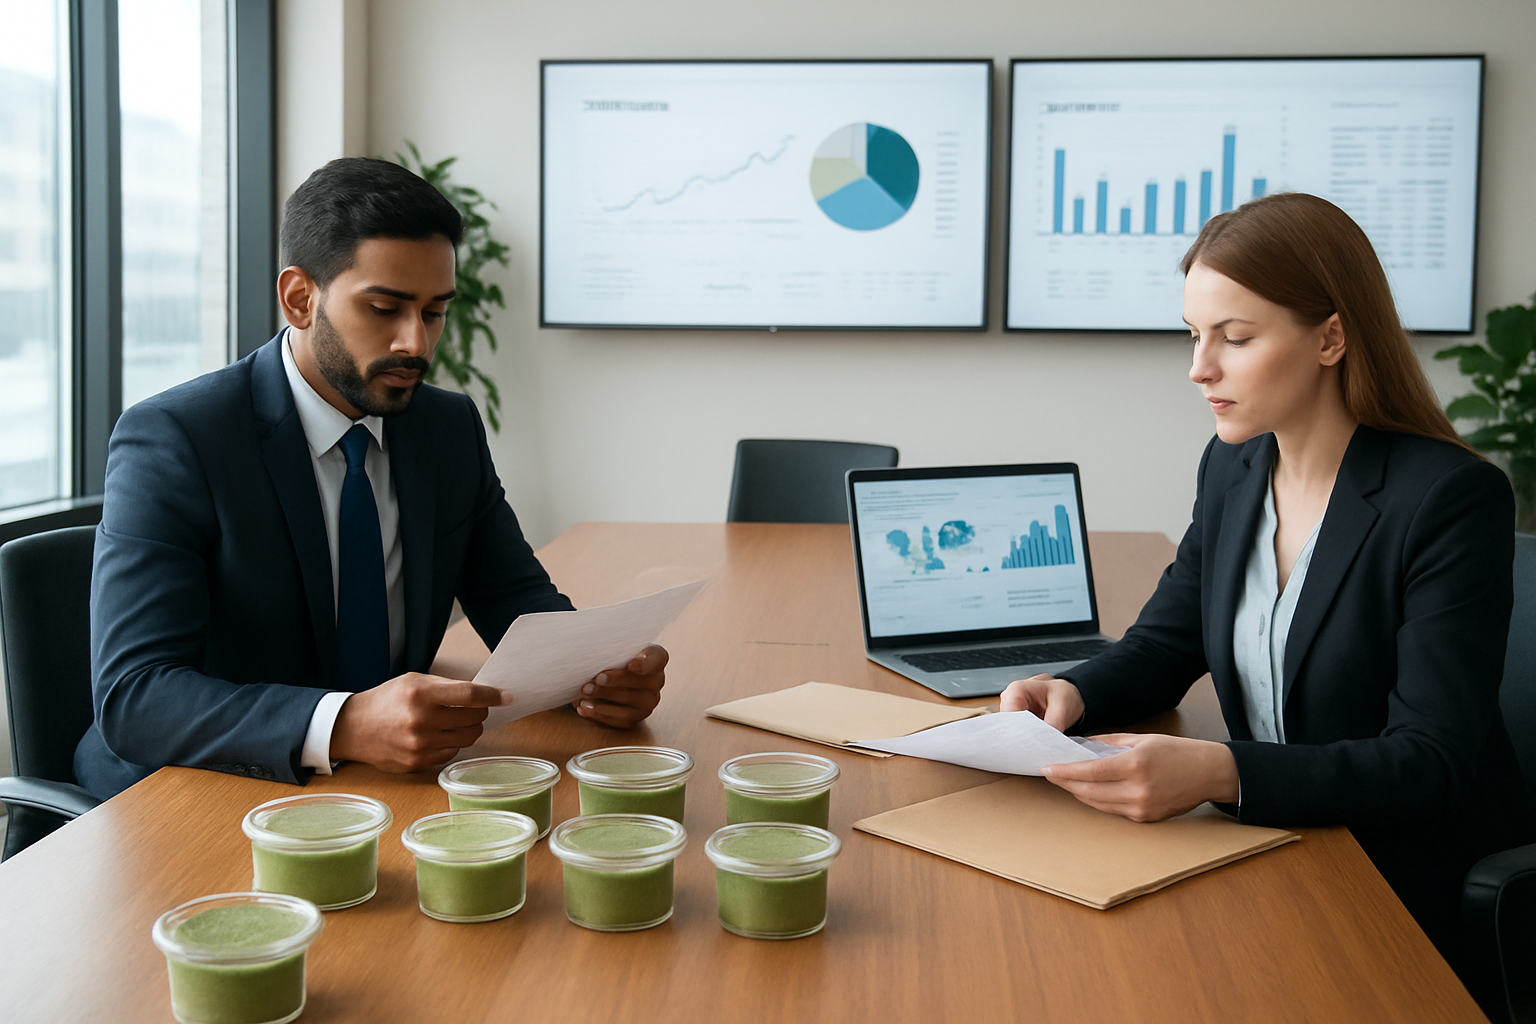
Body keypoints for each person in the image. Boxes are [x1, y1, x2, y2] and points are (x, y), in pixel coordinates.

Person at [1001, 192, 1535, 967]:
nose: (1199, 368)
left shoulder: (1448, 499)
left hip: (1396, 885)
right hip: (1271, 849)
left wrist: (1222, 770)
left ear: (1331, 337)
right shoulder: (1235, 464)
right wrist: (1075, 691)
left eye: (1235, 337)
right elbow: (1167, 639)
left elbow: (1431, 761)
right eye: (1193, 336)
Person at [76, 157, 668, 799]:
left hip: (387, 785)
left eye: (435, 312)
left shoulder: (445, 428)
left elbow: (514, 599)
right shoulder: (178, 438)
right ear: (301, 298)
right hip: (195, 791)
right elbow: (136, 697)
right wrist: (345, 724)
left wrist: (596, 676)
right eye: (385, 308)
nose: (416, 342)